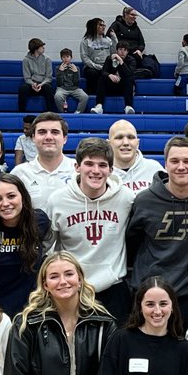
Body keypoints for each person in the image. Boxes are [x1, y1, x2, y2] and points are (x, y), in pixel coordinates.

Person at [126, 136, 188, 328]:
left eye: (187, 161)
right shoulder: (144, 200)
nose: (181, 167)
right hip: (148, 292)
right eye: (174, 161)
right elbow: (132, 244)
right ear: (165, 164)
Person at [47, 137, 137, 321]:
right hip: (72, 288)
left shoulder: (126, 198)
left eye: (102, 165)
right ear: (77, 167)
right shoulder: (57, 200)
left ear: (111, 170)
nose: (96, 171)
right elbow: (48, 247)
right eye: (89, 164)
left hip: (113, 289)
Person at [0, 173, 50, 317]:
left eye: (11, 196)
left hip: (32, 309)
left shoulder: (39, 221)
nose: (5, 203)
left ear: (22, 196)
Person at [10, 112, 74, 213]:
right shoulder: (19, 173)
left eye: (55, 132)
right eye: (42, 132)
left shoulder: (79, 171)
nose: (48, 137)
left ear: (65, 138)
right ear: (33, 138)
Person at [108, 118, 161, 194]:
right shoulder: (103, 173)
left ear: (137, 143)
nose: (126, 143)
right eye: (119, 137)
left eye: (131, 137)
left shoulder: (154, 168)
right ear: (109, 144)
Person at [91, 40, 137, 115]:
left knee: (129, 79)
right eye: (120, 49)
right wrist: (109, 75)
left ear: (127, 52)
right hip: (112, 86)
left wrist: (121, 61)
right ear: (117, 50)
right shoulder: (110, 58)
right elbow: (103, 72)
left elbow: (129, 74)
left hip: (124, 88)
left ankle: (128, 106)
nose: (122, 52)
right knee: (102, 78)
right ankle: (99, 106)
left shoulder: (131, 60)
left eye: (125, 50)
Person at [18, 37, 56, 113]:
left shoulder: (47, 59)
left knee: (48, 88)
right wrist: (33, 84)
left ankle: (50, 113)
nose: (43, 48)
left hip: (43, 84)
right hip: (32, 84)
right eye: (42, 47)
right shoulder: (26, 60)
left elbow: (48, 77)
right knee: (23, 89)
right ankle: (21, 113)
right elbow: (27, 78)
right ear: (36, 49)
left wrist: (41, 84)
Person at [80, 17, 113, 89]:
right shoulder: (86, 40)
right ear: (94, 26)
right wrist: (97, 66)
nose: (103, 27)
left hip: (106, 66)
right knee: (92, 73)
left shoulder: (108, 39)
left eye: (104, 25)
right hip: (92, 67)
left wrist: (115, 38)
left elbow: (114, 53)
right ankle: (93, 93)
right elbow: (84, 58)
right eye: (101, 25)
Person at [53, 48, 88, 115]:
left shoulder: (76, 68)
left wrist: (75, 72)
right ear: (61, 58)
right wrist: (60, 72)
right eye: (63, 57)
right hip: (62, 88)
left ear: (71, 58)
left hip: (74, 88)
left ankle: (78, 113)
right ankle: (63, 113)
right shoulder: (58, 68)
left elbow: (77, 83)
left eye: (67, 57)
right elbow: (59, 83)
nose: (66, 59)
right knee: (57, 96)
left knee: (85, 96)